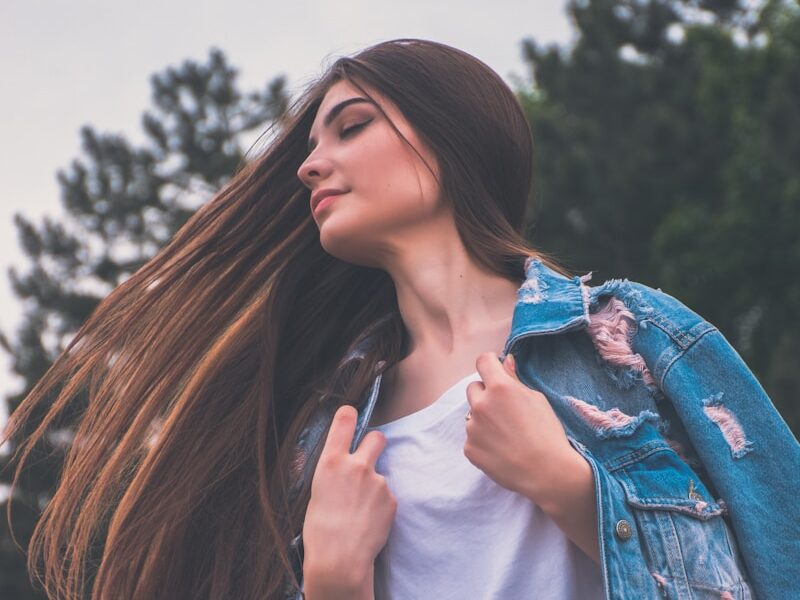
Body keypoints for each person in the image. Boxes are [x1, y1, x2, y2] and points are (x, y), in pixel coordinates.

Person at [2, 38, 798, 600]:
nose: (312, 163)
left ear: (451, 143)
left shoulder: (635, 339)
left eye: (352, 127)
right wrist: (335, 588)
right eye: (314, 143)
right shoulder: (322, 437)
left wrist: (567, 486)